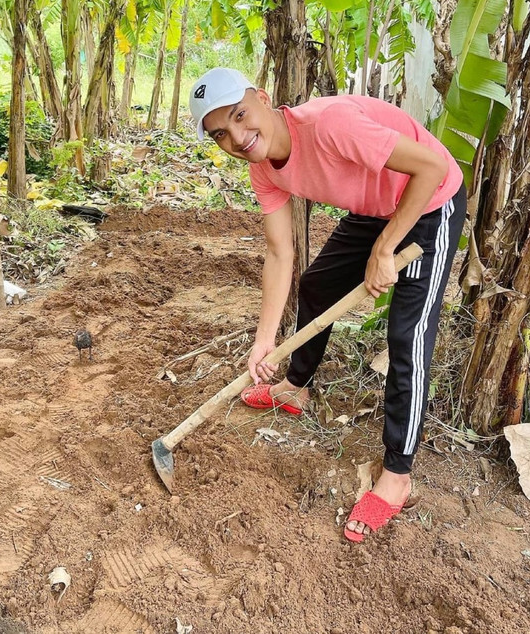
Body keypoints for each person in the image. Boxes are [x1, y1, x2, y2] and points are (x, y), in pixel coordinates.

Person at [189, 67, 466, 543]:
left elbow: (433, 168)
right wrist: (263, 342)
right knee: (317, 285)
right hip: (376, 208)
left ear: (262, 96)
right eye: (221, 134)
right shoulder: (262, 168)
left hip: (429, 203)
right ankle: (296, 385)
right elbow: (280, 253)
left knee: (408, 335)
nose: (238, 137)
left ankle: (398, 474)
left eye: (240, 115)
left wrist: (385, 249)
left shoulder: (329, 125)